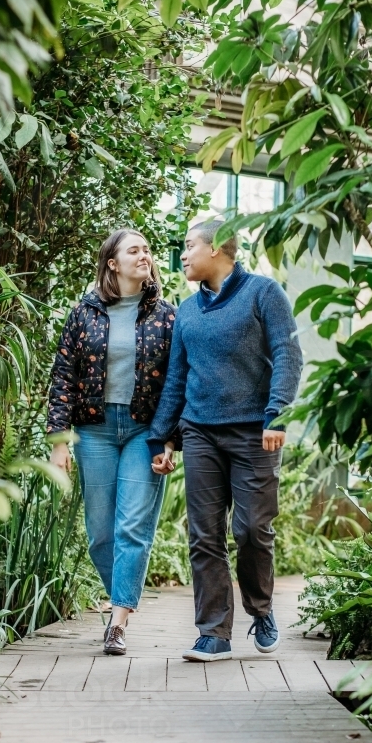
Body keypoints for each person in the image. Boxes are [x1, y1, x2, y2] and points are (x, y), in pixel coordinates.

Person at [147, 220, 302, 662]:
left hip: (256, 432)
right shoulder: (187, 312)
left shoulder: (263, 293)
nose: (183, 254)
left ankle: (261, 608)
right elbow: (177, 378)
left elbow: (289, 354)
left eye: (189, 245)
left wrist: (277, 415)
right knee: (205, 535)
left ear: (217, 248)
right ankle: (213, 632)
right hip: (200, 433)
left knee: (252, 528)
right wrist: (164, 439)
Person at [48, 229, 177, 656]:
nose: (144, 255)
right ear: (112, 264)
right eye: (133, 250)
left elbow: (177, 384)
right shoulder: (84, 313)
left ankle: (118, 621)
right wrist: (59, 442)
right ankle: (121, 598)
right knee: (100, 534)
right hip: (94, 430)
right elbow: (63, 378)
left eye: (147, 250)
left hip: (145, 431)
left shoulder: (166, 316)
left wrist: (169, 441)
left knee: (132, 527)